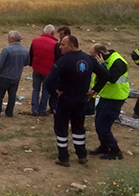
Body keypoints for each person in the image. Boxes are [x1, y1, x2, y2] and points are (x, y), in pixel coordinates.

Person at [45, 35, 109, 167]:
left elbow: (48, 81)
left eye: (62, 44)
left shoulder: (64, 61)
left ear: (71, 46)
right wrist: (94, 90)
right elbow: (105, 75)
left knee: (61, 128)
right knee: (78, 127)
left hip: (65, 100)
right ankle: (82, 155)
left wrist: (55, 93)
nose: (60, 47)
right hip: (81, 100)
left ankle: (63, 157)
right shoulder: (89, 59)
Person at [87, 44, 129, 160]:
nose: (93, 58)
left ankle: (115, 150)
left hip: (116, 98)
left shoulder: (118, 62)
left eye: (94, 56)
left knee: (103, 126)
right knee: (98, 122)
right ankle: (104, 146)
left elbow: (111, 78)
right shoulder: (105, 59)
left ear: (101, 53)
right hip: (106, 96)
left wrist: (102, 65)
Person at [0, 30, 28, 118]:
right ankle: (9, 112)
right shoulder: (25, 50)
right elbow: (27, 62)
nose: (7, 39)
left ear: (12, 38)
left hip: (5, 76)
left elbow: (1, 62)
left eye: (8, 37)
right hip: (16, 76)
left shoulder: (7, 49)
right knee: (12, 95)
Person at [28, 24, 57, 116]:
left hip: (36, 68)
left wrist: (32, 64)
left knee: (35, 89)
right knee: (46, 91)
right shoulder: (55, 44)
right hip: (49, 71)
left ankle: (34, 108)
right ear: (52, 33)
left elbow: (31, 54)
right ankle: (42, 109)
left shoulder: (35, 41)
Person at [49, 25, 71, 114]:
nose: (59, 36)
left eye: (61, 34)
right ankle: (52, 106)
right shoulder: (58, 45)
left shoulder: (69, 45)